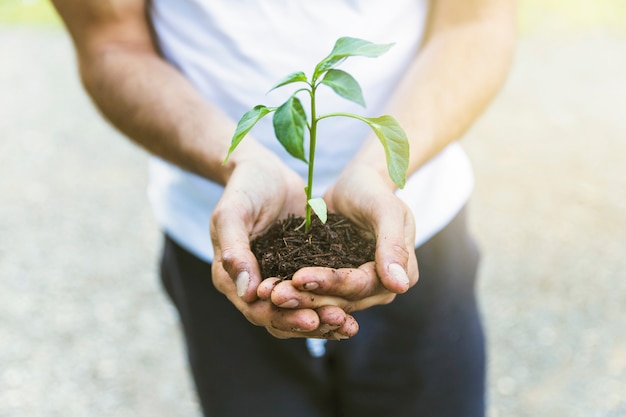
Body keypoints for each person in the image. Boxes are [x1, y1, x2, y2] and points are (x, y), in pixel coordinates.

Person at [51, 1, 515, 416]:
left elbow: (477, 20)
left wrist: (379, 170)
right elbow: (111, 42)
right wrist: (240, 161)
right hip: (230, 244)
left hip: (415, 226)